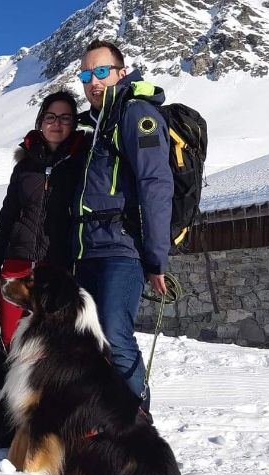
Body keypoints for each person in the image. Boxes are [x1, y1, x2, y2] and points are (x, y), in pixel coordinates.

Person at [72, 40, 173, 415]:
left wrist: (156, 257)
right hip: (87, 250)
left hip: (121, 249)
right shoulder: (97, 122)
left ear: (120, 71)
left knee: (115, 334)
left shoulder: (135, 113)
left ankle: (137, 422)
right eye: (86, 75)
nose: (93, 82)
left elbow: (156, 183)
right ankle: (99, 418)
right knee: (87, 338)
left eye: (101, 72)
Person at [0, 90, 89, 349]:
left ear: (74, 124)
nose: (57, 123)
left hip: (55, 273)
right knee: (11, 341)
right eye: (51, 116)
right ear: (40, 121)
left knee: (49, 347)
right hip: (16, 266)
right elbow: (6, 218)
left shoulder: (82, 164)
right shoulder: (24, 167)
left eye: (65, 118)